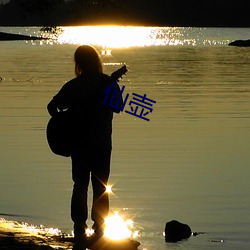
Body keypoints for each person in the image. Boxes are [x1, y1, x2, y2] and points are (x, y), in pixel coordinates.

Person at [47, 45, 123, 244]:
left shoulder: (74, 85)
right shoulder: (108, 83)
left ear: (78, 63)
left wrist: (63, 121)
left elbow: (51, 106)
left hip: (78, 144)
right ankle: (99, 229)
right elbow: (119, 107)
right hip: (101, 143)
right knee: (101, 187)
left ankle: (79, 227)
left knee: (79, 185)